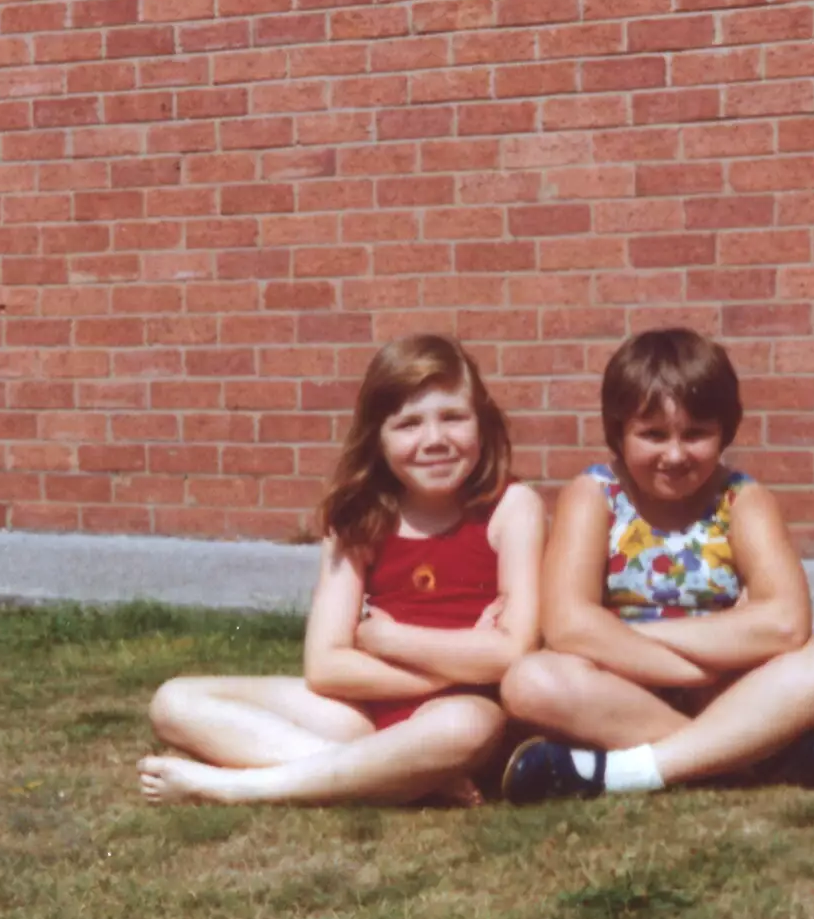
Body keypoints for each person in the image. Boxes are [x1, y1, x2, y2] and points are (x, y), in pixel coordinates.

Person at [139, 334, 544, 806]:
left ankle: (241, 788)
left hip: (454, 713)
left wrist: (389, 640)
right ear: (377, 437)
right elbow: (326, 667)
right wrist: (464, 660)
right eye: (408, 424)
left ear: (482, 422)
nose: (434, 440)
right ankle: (399, 776)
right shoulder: (358, 517)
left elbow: (514, 653)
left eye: (453, 417)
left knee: (469, 725)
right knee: (174, 701)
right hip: (361, 712)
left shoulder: (513, 508)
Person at [499, 328, 814, 804]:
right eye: (652, 435)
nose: (674, 455)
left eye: (695, 434)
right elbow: (568, 625)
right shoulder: (593, 495)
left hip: (721, 687)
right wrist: (701, 658)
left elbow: (786, 624)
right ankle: (751, 754)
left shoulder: (742, 500)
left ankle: (625, 772)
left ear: (724, 432)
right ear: (618, 432)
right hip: (619, 688)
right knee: (530, 682)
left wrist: (626, 635)